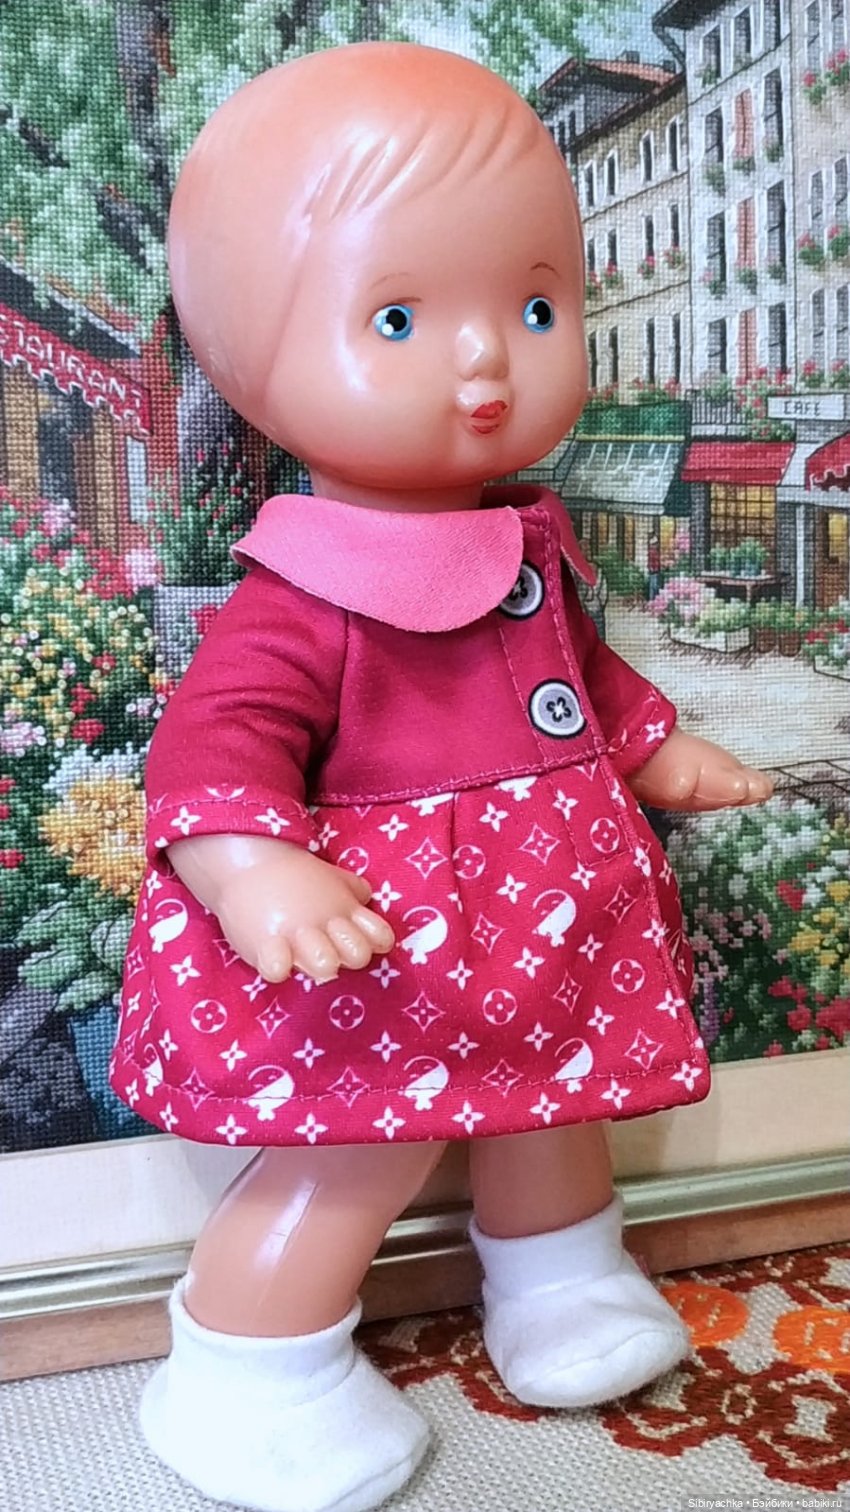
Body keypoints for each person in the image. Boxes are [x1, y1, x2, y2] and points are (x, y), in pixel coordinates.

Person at [110, 44, 773, 1512]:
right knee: (361, 1148)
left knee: (558, 1103)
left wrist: (654, 748)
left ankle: (560, 1281)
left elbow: (577, 683)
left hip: (547, 926)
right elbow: (216, 743)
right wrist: (249, 864)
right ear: (252, 364)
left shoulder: (528, 546)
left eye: (535, 309)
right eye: (399, 318)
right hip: (382, 943)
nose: (486, 365)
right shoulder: (303, 593)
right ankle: (247, 1365)